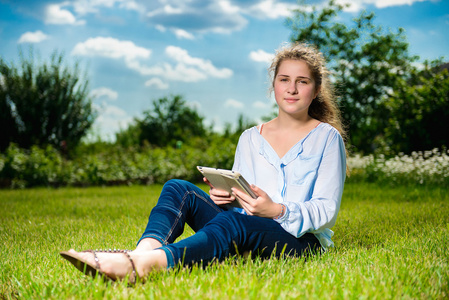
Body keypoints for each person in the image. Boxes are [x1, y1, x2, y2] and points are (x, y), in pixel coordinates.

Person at [60, 43, 348, 284]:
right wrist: (226, 198)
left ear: (316, 88)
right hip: (245, 226)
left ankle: (142, 266)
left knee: (235, 223)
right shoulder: (250, 137)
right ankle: (143, 251)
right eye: (284, 79)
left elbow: (327, 210)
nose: (292, 89)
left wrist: (276, 209)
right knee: (178, 189)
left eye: (303, 81)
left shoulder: (326, 138)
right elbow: (242, 198)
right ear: (273, 84)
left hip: (298, 241)